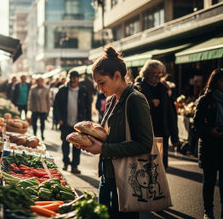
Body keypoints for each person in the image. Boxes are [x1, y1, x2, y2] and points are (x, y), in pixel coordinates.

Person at [79, 46, 153, 219]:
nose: (98, 88)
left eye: (101, 82)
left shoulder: (134, 99)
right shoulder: (113, 99)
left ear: (117, 76)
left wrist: (103, 149)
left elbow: (144, 144)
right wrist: (91, 140)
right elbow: (111, 136)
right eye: (96, 83)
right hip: (108, 175)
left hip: (126, 180)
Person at [135, 60, 179, 169]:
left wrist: (174, 136)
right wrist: (150, 103)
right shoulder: (138, 88)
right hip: (145, 135)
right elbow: (135, 110)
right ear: (147, 73)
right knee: (145, 168)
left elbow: (171, 113)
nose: (159, 75)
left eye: (160, 73)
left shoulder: (164, 89)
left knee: (160, 169)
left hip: (161, 135)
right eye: (156, 73)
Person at [193, 68, 223, 219]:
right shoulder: (205, 99)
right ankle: (208, 210)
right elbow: (197, 123)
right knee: (209, 181)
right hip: (209, 145)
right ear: (216, 82)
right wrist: (210, 131)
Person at [53, 71, 91, 174]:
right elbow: (56, 106)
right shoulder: (62, 90)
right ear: (68, 78)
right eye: (71, 77)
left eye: (75, 77)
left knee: (77, 146)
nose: (73, 79)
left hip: (79, 125)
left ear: (78, 79)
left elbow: (88, 107)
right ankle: (66, 162)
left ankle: (75, 166)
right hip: (65, 123)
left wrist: (88, 123)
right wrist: (58, 119)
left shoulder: (83, 91)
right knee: (65, 144)